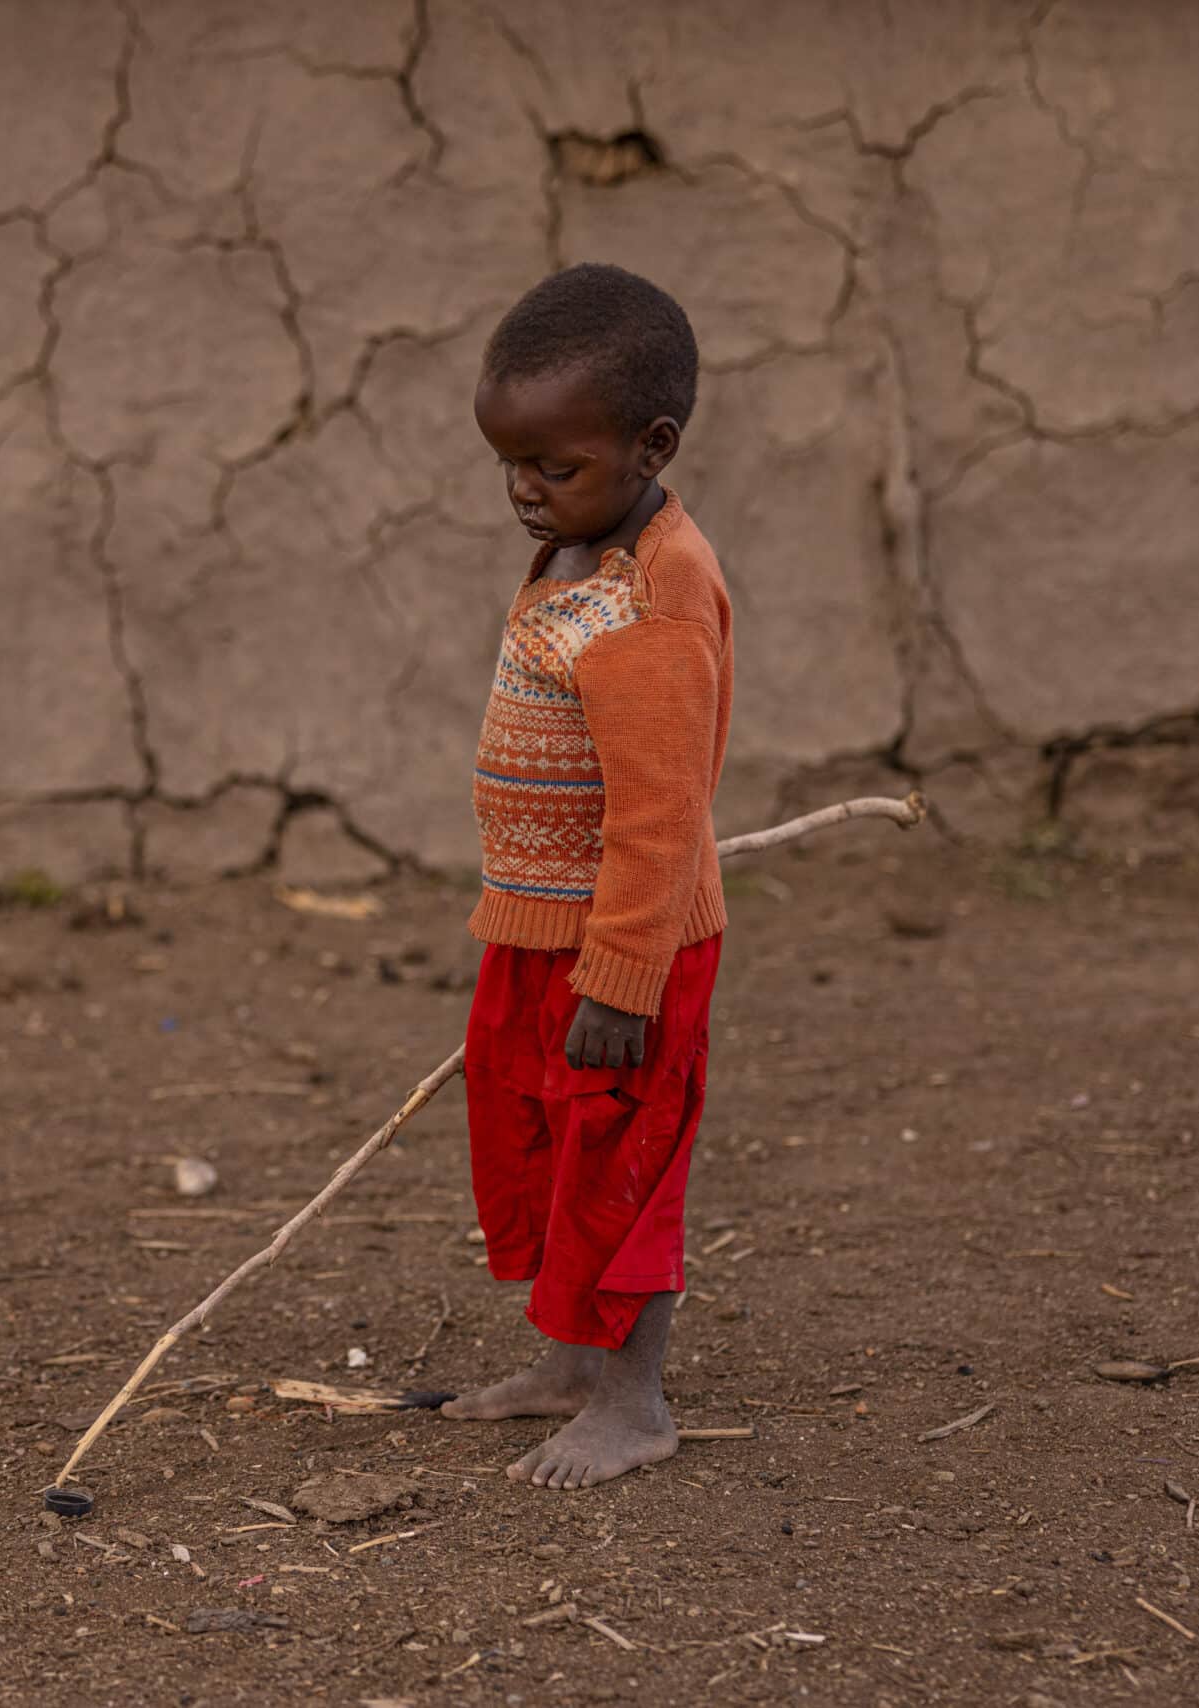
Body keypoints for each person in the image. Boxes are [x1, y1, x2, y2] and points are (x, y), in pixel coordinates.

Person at [440, 263, 733, 1491]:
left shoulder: (651, 598)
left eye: (551, 467)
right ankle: (569, 1364)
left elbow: (662, 815)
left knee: (621, 1157)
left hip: (626, 946)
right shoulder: (578, 544)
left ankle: (633, 1398)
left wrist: (622, 976)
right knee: (548, 1142)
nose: (522, 489)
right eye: (508, 462)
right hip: (538, 926)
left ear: (650, 444)